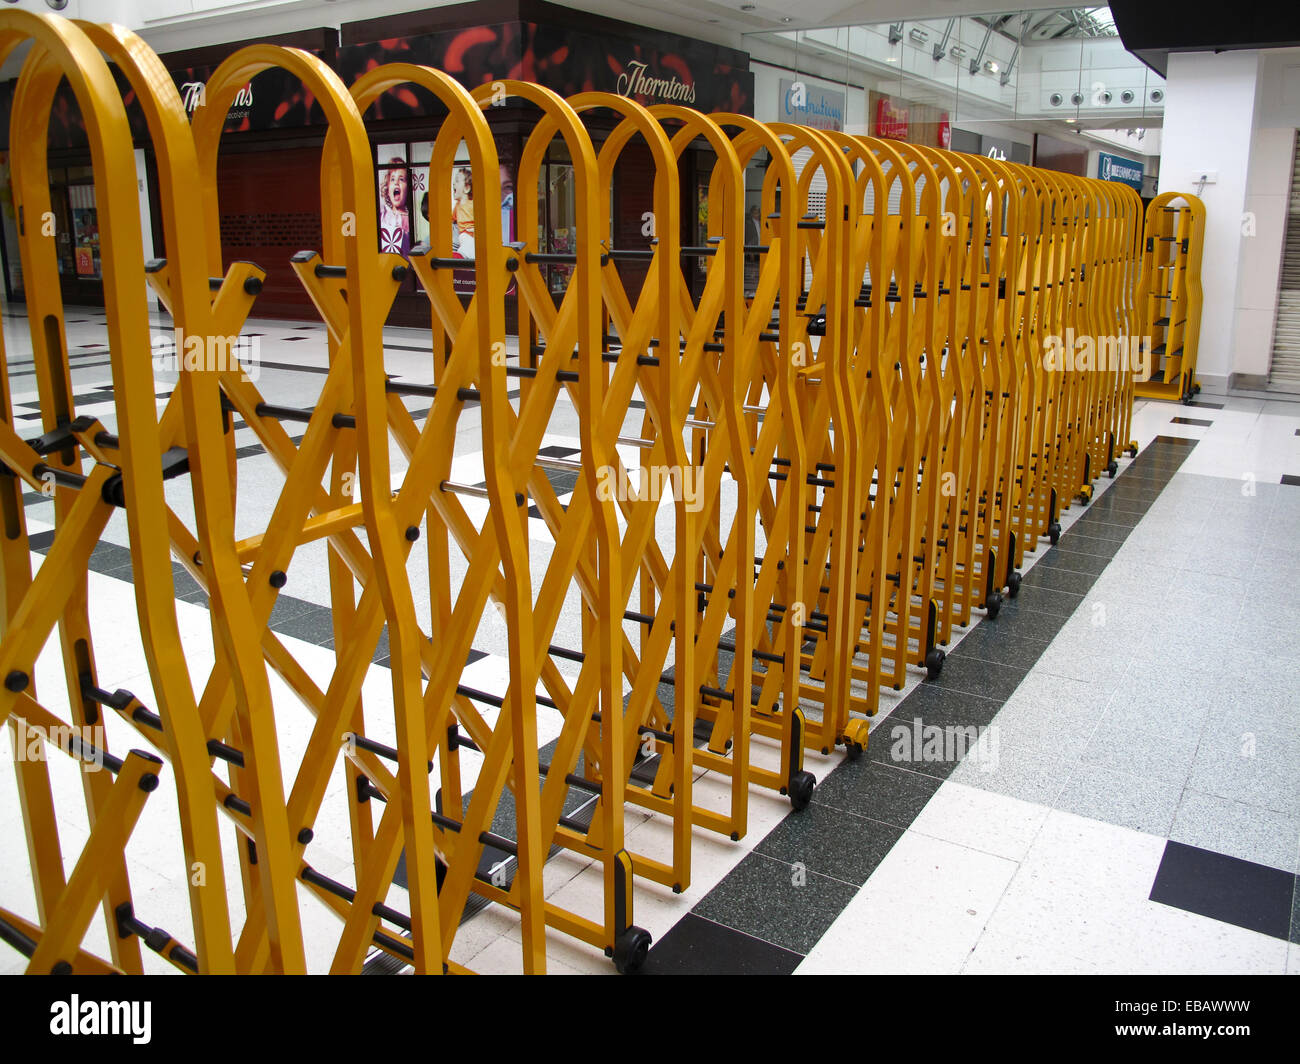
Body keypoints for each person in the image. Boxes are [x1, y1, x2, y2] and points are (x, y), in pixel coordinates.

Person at [378, 161, 410, 257]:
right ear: (387, 188)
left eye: (401, 179)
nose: (396, 183)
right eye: (392, 179)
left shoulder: (410, 219)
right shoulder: (382, 214)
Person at [452, 166, 475, 259]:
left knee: (466, 240)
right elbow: (451, 219)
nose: (453, 183)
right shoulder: (456, 207)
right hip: (463, 237)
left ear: (466, 188)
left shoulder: (472, 205)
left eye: (457, 181)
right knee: (463, 238)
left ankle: (460, 256)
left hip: (471, 236)